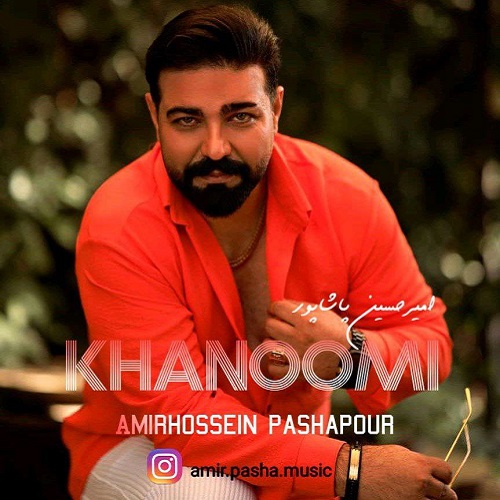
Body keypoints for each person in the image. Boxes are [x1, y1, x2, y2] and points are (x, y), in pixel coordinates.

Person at [62, 4, 458, 500]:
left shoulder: (348, 197)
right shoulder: (120, 224)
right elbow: (177, 417)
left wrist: (351, 357)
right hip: (142, 448)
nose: (214, 148)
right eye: (187, 120)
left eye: (240, 116)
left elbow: (431, 348)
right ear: (154, 116)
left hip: (292, 462)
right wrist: (347, 468)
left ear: (276, 109)